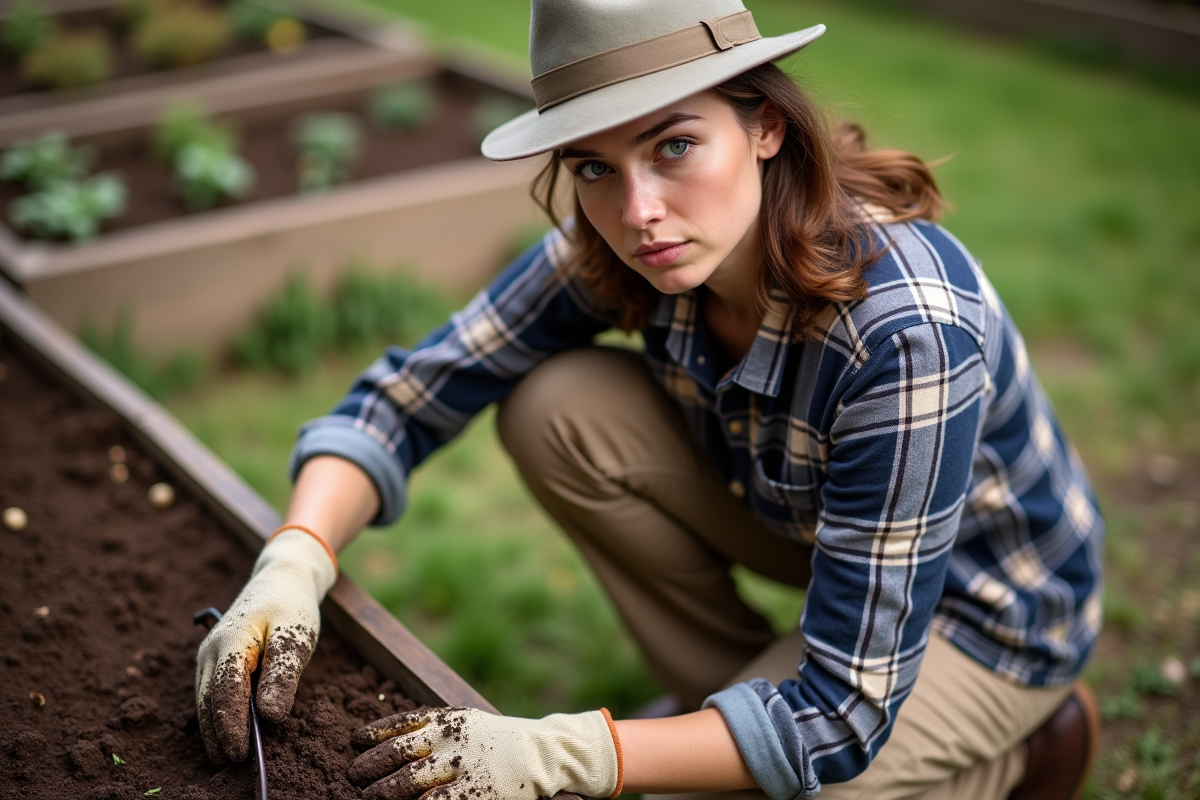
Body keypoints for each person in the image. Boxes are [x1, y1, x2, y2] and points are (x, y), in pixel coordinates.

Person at [194, 1, 1105, 798]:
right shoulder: (635, 239)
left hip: (986, 605)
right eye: (592, 165)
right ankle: (732, 705)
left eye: (675, 145)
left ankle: (1020, 752)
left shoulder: (906, 334)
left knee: (701, 791)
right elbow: (412, 392)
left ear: (764, 124)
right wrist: (296, 562)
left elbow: (839, 713)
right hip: (817, 527)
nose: (638, 211)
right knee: (556, 407)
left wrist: (573, 753)